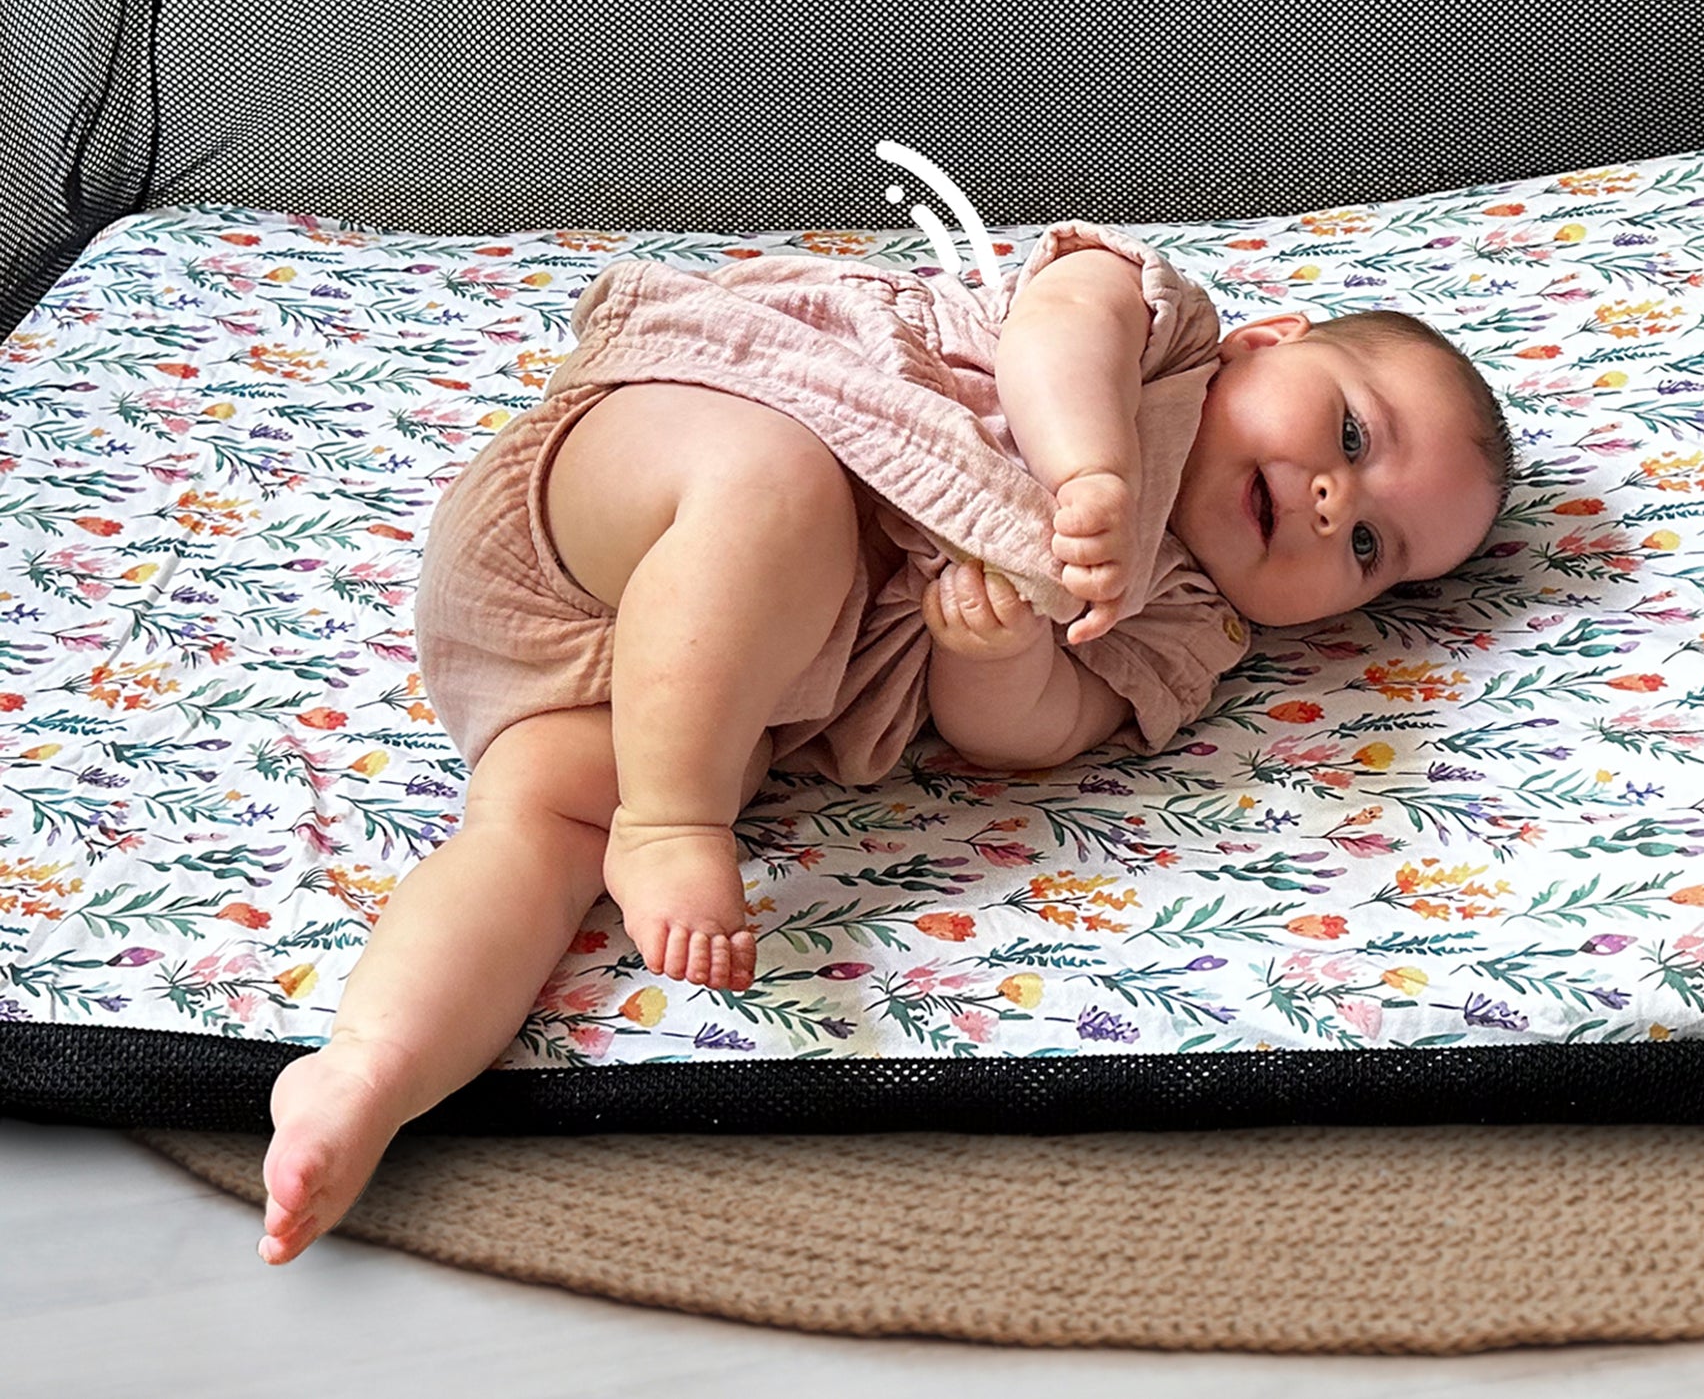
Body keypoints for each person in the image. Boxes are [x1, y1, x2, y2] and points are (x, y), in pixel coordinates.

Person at [255, 223, 1512, 1265]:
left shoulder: (1181, 627)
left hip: (667, 694)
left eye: (1366, 552)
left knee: (533, 833)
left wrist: (1001, 655)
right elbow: (1052, 330)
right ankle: (669, 818)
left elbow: (1031, 736)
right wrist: (1084, 468)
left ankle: (366, 1069)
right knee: (778, 479)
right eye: (1350, 434)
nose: (1333, 500)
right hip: (615, 499)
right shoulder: (1156, 326)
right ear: (1269, 342)